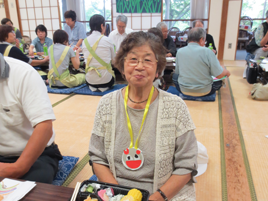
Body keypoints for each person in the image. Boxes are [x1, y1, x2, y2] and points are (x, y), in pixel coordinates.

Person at [89, 31, 198, 200]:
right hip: (115, 191)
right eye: (133, 59)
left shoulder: (175, 107)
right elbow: (97, 156)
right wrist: (118, 195)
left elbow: (187, 164)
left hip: (162, 193)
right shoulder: (106, 104)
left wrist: (157, 197)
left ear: (158, 68)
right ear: (122, 65)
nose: (139, 66)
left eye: (147, 60)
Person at [0, 54, 62, 183]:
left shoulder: (23, 73)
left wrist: (18, 168)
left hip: (34, 154)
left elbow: (44, 127)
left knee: (34, 185)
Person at [173, 27, 230, 97]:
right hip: (205, 91)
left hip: (183, 90)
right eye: (204, 41)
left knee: (174, 77)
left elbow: (177, 72)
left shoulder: (180, 51)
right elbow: (219, 75)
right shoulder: (208, 52)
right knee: (219, 81)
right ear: (201, 39)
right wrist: (226, 72)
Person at [82, 14, 115, 92]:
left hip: (90, 81)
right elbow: (114, 60)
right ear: (101, 25)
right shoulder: (107, 40)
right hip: (106, 81)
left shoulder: (84, 41)